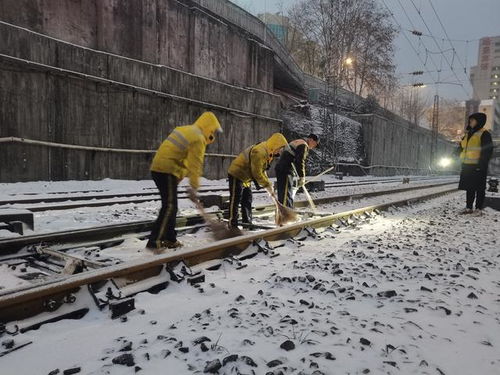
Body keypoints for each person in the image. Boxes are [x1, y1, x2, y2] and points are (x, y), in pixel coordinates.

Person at [146, 111, 222, 252]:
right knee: (169, 207)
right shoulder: (199, 138)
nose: (213, 135)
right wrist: (193, 187)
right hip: (166, 170)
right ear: (209, 128)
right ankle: (154, 242)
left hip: (161, 168)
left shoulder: (186, 130)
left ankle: (170, 239)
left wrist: (179, 178)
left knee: (171, 206)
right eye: (213, 131)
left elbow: (180, 157)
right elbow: (195, 165)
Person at [227, 133, 288, 228]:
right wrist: (266, 184)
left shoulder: (269, 151)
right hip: (237, 173)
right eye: (280, 148)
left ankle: (247, 223)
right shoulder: (259, 152)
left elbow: (263, 170)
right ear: (275, 144)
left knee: (247, 199)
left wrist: (268, 184)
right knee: (236, 198)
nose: (280, 151)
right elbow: (257, 173)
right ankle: (232, 223)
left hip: (246, 177)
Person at [457, 112, 493, 215]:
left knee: (479, 188)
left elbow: (487, 151)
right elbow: (462, 146)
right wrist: (455, 152)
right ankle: (468, 207)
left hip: (479, 165)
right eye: (470, 120)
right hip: (467, 164)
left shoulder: (484, 133)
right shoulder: (468, 134)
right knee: (469, 187)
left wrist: (482, 164)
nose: (470, 122)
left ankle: (478, 208)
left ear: (479, 121)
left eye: (472, 120)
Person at [275, 134, 319, 208]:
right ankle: (287, 214)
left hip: (281, 168)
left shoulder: (297, 141)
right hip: (286, 170)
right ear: (311, 140)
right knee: (287, 194)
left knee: (282, 193)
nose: (314, 147)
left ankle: (282, 211)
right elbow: (300, 161)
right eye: (315, 144)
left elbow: (283, 152)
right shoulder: (303, 145)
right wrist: (302, 177)